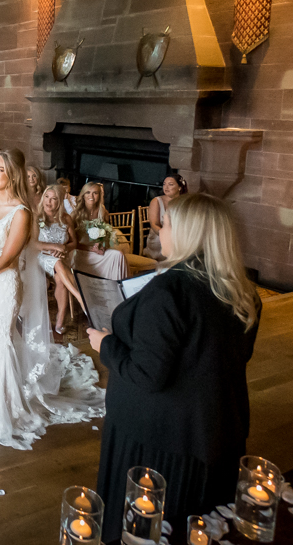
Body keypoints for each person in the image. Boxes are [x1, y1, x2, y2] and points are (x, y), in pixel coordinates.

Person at [87, 193, 260, 541]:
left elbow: (147, 374)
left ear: (187, 233)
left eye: (165, 224)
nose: (160, 231)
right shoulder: (243, 293)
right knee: (201, 527)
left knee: (150, 528)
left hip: (158, 442)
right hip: (215, 433)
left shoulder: (170, 291)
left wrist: (106, 344)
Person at [0, 149, 104, 450]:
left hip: (1, 286)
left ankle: (0, 407)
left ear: (12, 174)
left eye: (0, 170)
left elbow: (6, 258)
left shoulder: (22, 213)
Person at [35, 185, 86, 334]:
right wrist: (55, 247)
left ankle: (60, 319)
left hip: (62, 257)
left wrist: (64, 249)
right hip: (40, 257)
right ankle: (80, 296)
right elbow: (33, 243)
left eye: (54, 198)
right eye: (47, 197)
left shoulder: (65, 218)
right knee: (57, 263)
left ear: (59, 202)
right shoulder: (36, 216)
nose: (49, 202)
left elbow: (73, 242)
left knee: (60, 280)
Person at [72, 182, 129, 280]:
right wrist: (90, 249)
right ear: (83, 195)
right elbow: (72, 243)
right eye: (88, 193)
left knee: (118, 255)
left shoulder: (103, 212)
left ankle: (120, 287)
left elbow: (105, 237)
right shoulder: (75, 215)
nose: (91, 196)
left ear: (99, 195)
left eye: (95, 193)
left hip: (97, 251)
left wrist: (102, 246)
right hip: (81, 252)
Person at [143, 173, 188, 261]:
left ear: (179, 187)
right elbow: (154, 224)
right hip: (158, 238)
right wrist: (166, 237)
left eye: (170, 184)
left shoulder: (185, 203)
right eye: (164, 184)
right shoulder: (156, 201)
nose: (166, 187)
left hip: (178, 236)